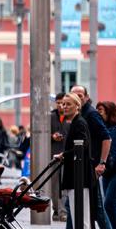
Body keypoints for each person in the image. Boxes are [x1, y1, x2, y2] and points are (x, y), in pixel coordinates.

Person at [72, 85, 116, 229]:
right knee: (89, 206)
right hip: (84, 166)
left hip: (91, 167)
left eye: (80, 94)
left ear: (85, 97)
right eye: (74, 94)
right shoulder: (82, 114)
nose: (77, 97)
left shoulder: (90, 114)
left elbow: (106, 138)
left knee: (97, 206)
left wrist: (102, 162)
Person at [54, 92, 95, 229]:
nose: (64, 107)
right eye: (63, 104)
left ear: (77, 106)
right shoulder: (77, 123)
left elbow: (82, 146)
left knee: (81, 215)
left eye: (68, 104)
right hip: (82, 175)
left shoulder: (79, 123)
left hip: (80, 176)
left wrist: (64, 154)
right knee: (85, 215)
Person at [96, 101, 116, 229]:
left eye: (101, 110)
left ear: (110, 112)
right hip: (109, 171)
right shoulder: (106, 129)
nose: (98, 113)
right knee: (115, 205)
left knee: (109, 204)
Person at [50, 92, 69, 221]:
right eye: (58, 103)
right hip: (54, 154)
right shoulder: (50, 117)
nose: (61, 106)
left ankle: (63, 211)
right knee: (54, 185)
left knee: (64, 185)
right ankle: (56, 210)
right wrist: (52, 136)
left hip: (67, 154)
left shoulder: (71, 117)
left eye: (63, 103)